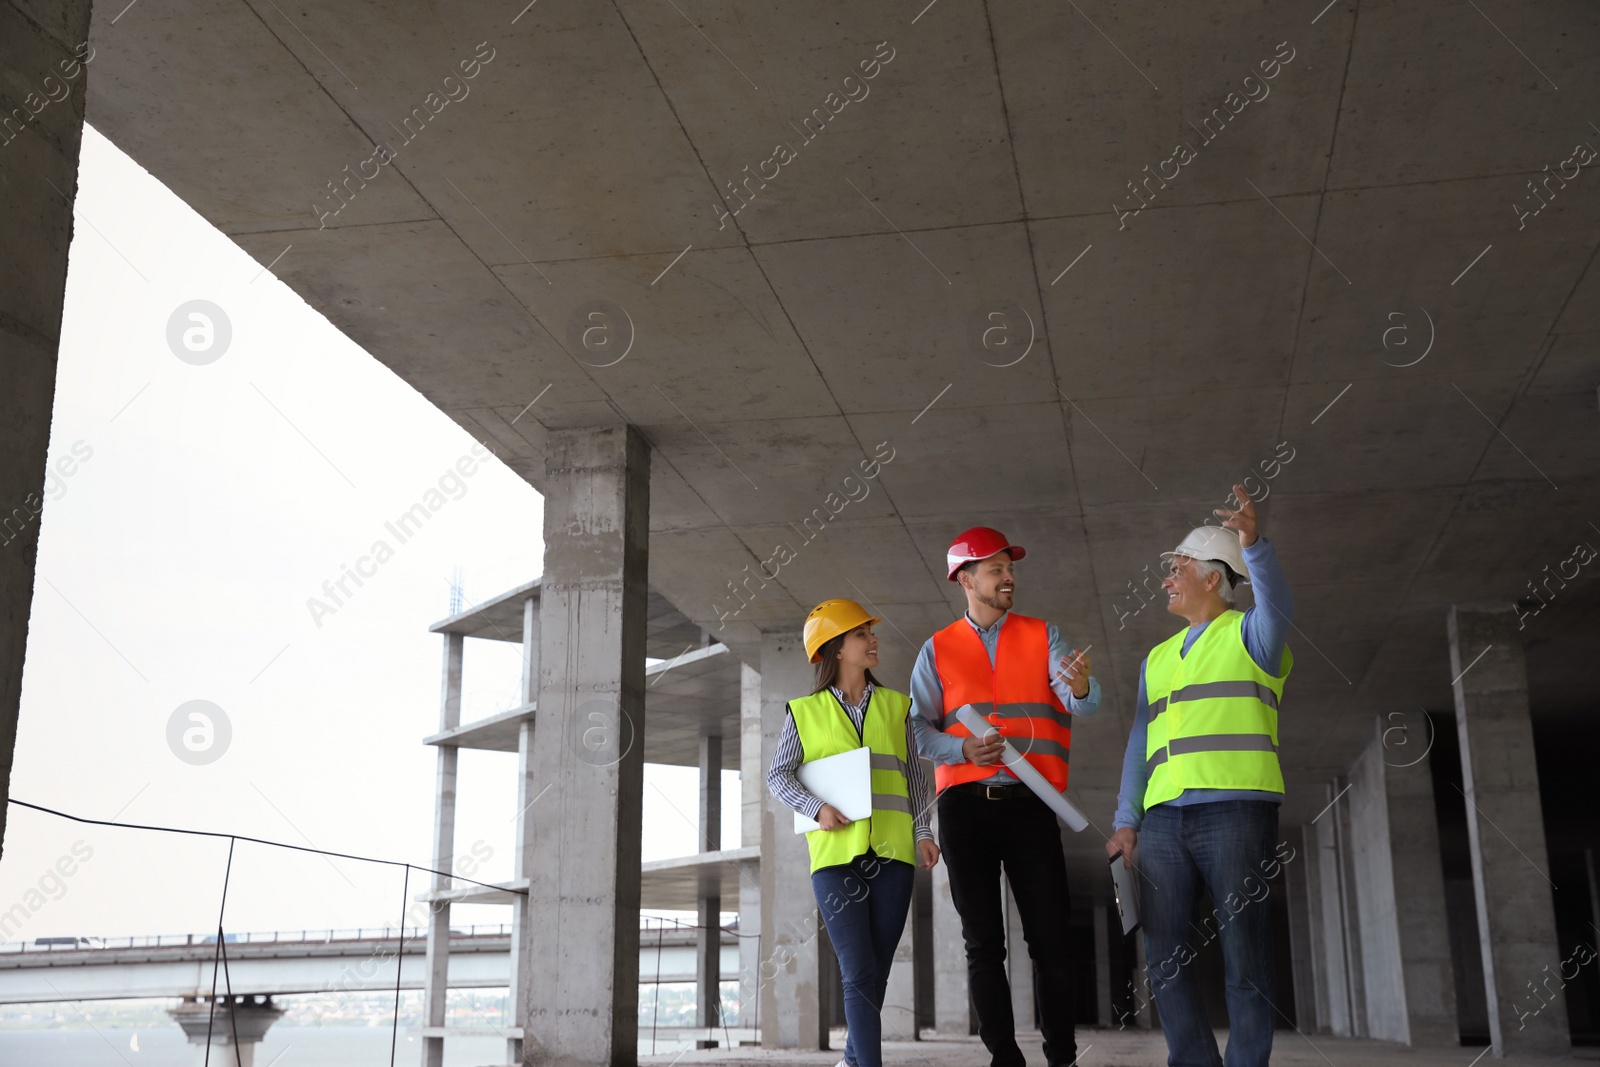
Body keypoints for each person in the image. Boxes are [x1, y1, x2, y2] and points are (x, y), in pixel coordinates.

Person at [1106, 484, 1294, 1067]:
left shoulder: (1253, 635)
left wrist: (1253, 545)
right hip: (1162, 822)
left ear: (1213, 577)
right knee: (1162, 958)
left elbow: (1279, 605)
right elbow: (1140, 744)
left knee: (1246, 956)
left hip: (1236, 811)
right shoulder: (1156, 659)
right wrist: (1126, 821)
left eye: (1178, 567)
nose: (1166, 579)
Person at [909, 526, 1100, 1067]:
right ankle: (1004, 1057)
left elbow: (1080, 703)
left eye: (1010, 568)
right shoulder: (937, 649)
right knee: (982, 943)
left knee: (1051, 941)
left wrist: (1081, 686)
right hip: (964, 809)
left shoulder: (1045, 635)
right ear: (966, 580)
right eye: (996, 569)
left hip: (1031, 804)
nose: (1009, 577)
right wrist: (963, 748)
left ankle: (1061, 1055)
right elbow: (917, 731)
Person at [767, 598, 940, 1067]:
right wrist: (815, 806)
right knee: (858, 970)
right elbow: (778, 776)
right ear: (837, 649)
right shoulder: (803, 712)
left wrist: (923, 830)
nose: (872, 639)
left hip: (894, 854)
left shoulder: (896, 706)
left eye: (868, 632)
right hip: (835, 859)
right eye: (861, 633)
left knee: (875, 971)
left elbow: (916, 777)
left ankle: (851, 1059)